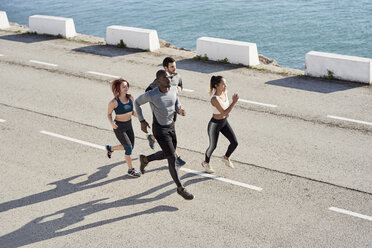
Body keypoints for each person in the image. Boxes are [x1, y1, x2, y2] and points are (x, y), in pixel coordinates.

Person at [134, 69, 194, 200]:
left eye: (170, 77)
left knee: (168, 153)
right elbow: (137, 103)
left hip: (171, 127)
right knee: (172, 158)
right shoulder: (151, 94)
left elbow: (176, 102)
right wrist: (142, 121)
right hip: (159, 129)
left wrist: (180, 110)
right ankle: (180, 188)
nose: (170, 80)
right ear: (158, 80)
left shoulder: (173, 89)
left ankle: (145, 159)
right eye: (166, 78)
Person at [145, 57, 186, 167]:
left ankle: (152, 137)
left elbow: (181, 85)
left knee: (170, 132)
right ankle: (176, 157)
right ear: (165, 68)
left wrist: (178, 90)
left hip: (173, 109)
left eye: (175, 66)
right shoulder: (158, 81)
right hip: (162, 111)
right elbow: (147, 91)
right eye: (172, 67)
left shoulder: (177, 76)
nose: (174, 69)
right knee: (168, 135)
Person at [201, 76, 239, 173]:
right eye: (223, 84)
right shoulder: (214, 99)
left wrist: (227, 113)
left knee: (234, 142)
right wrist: (234, 103)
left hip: (224, 122)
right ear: (216, 86)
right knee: (213, 146)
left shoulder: (225, 92)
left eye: (225, 83)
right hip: (215, 124)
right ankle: (206, 162)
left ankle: (226, 157)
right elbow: (223, 112)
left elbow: (225, 110)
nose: (225, 85)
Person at [105, 78, 141, 178]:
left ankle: (110, 148)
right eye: (123, 87)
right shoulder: (114, 102)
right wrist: (112, 123)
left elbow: (131, 111)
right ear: (118, 88)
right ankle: (131, 170)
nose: (126, 88)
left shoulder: (131, 98)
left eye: (127, 86)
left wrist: (139, 117)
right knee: (128, 148)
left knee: (130, 147)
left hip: (129, 125)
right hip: (119, 127)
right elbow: (109, 114)